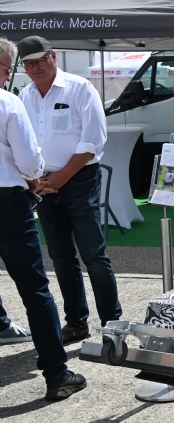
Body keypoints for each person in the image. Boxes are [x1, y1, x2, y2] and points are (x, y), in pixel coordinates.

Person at [17, 36, 121, 344]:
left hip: (79, 180)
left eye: (40, 60)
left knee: (93, 255)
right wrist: (34, 180)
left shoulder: (80, 88)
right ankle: (76, 323)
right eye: (29, 63)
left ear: (53, 57)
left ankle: (112, 326)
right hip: (43, 185)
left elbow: (93, 141)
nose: (35, 68)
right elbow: (21, 142)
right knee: (61, 258)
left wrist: (62, 177)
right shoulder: (24, 95)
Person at [0, 37, 85, 400]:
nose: (9, 76)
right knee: (35, 289)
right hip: (7, 202)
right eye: (7, 69)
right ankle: (56, 374)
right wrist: (35, 179)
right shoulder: (8, 102)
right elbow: (28, 158)